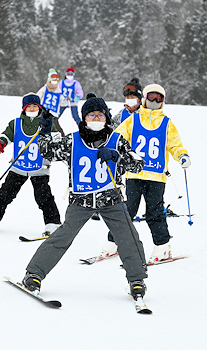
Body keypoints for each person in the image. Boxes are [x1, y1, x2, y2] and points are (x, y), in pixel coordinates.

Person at [21, 93, 148, 301]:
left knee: (127, 236)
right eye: (91, 116)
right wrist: (44, 132)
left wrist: (118, 156)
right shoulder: (72, 140)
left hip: (111, 198)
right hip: (81, 200)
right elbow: (47, 152)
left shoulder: (116, 140)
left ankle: (137, 280)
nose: (96, 120)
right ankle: (34, 274)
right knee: (63, 236)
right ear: (84, 119)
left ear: (107, 118)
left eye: (100, 116)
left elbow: (138, 163)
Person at [100, 83, 191, 264]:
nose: (155, 101)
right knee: (127, 211)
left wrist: (182, 155)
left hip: (157, 176)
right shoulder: (133, 120)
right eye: (151, 97)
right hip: (135, 174)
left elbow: (175, 144)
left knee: (155, 212)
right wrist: (109, 149)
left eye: (159, 98)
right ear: (144, 99)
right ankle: (114, 242)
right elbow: (118, 136)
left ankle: (162, 247)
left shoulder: (166, 122)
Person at [0, 93, 61, 238]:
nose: (32, 108)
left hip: (39, 168)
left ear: (39, 107)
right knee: (5, 193)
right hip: (19, 167)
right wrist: (1, 142)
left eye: (35, 106)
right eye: (29, 106)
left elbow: (58, 139)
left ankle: (52, 223)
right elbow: (6, 135)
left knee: (43, 197)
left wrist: (50, 132)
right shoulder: (16, 123)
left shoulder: (46, 123)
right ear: (24, 108)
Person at [92, 78, 143, 221]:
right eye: (127, 97)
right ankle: (103, 207)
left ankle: (153, 208)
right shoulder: (121, 114)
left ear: (139, 99)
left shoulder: (145, 114)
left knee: (144, 185)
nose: (130, 100)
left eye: (133, 97)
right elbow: (111, 130)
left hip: (141, 154)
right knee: (114, 180)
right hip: (123, 153)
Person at [37, 68, 65, 137]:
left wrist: (66, 100)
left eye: (56, 80)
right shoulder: (45, 88)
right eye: (53, 80)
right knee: (44, 128)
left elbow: (63, 102)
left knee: (57, 129)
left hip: (53, 114)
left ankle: (61, 139)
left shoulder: (58, 90)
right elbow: (37, 96)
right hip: (44, 113)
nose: (54, 82)